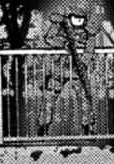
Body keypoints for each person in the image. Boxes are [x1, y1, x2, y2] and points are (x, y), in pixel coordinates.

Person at [39, 8, 102, 136]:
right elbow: (49, 38)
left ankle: (88, 127)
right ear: (70, 17)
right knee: (49, 97)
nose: (78, 20)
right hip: (59, 69)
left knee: (84, 99)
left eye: (81, 18)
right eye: (75, 17)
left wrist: (83, 63)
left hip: (77, 71)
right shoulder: (61, 27)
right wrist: (63, 42)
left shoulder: (88, 33)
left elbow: (89, 50)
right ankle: (43, 126)